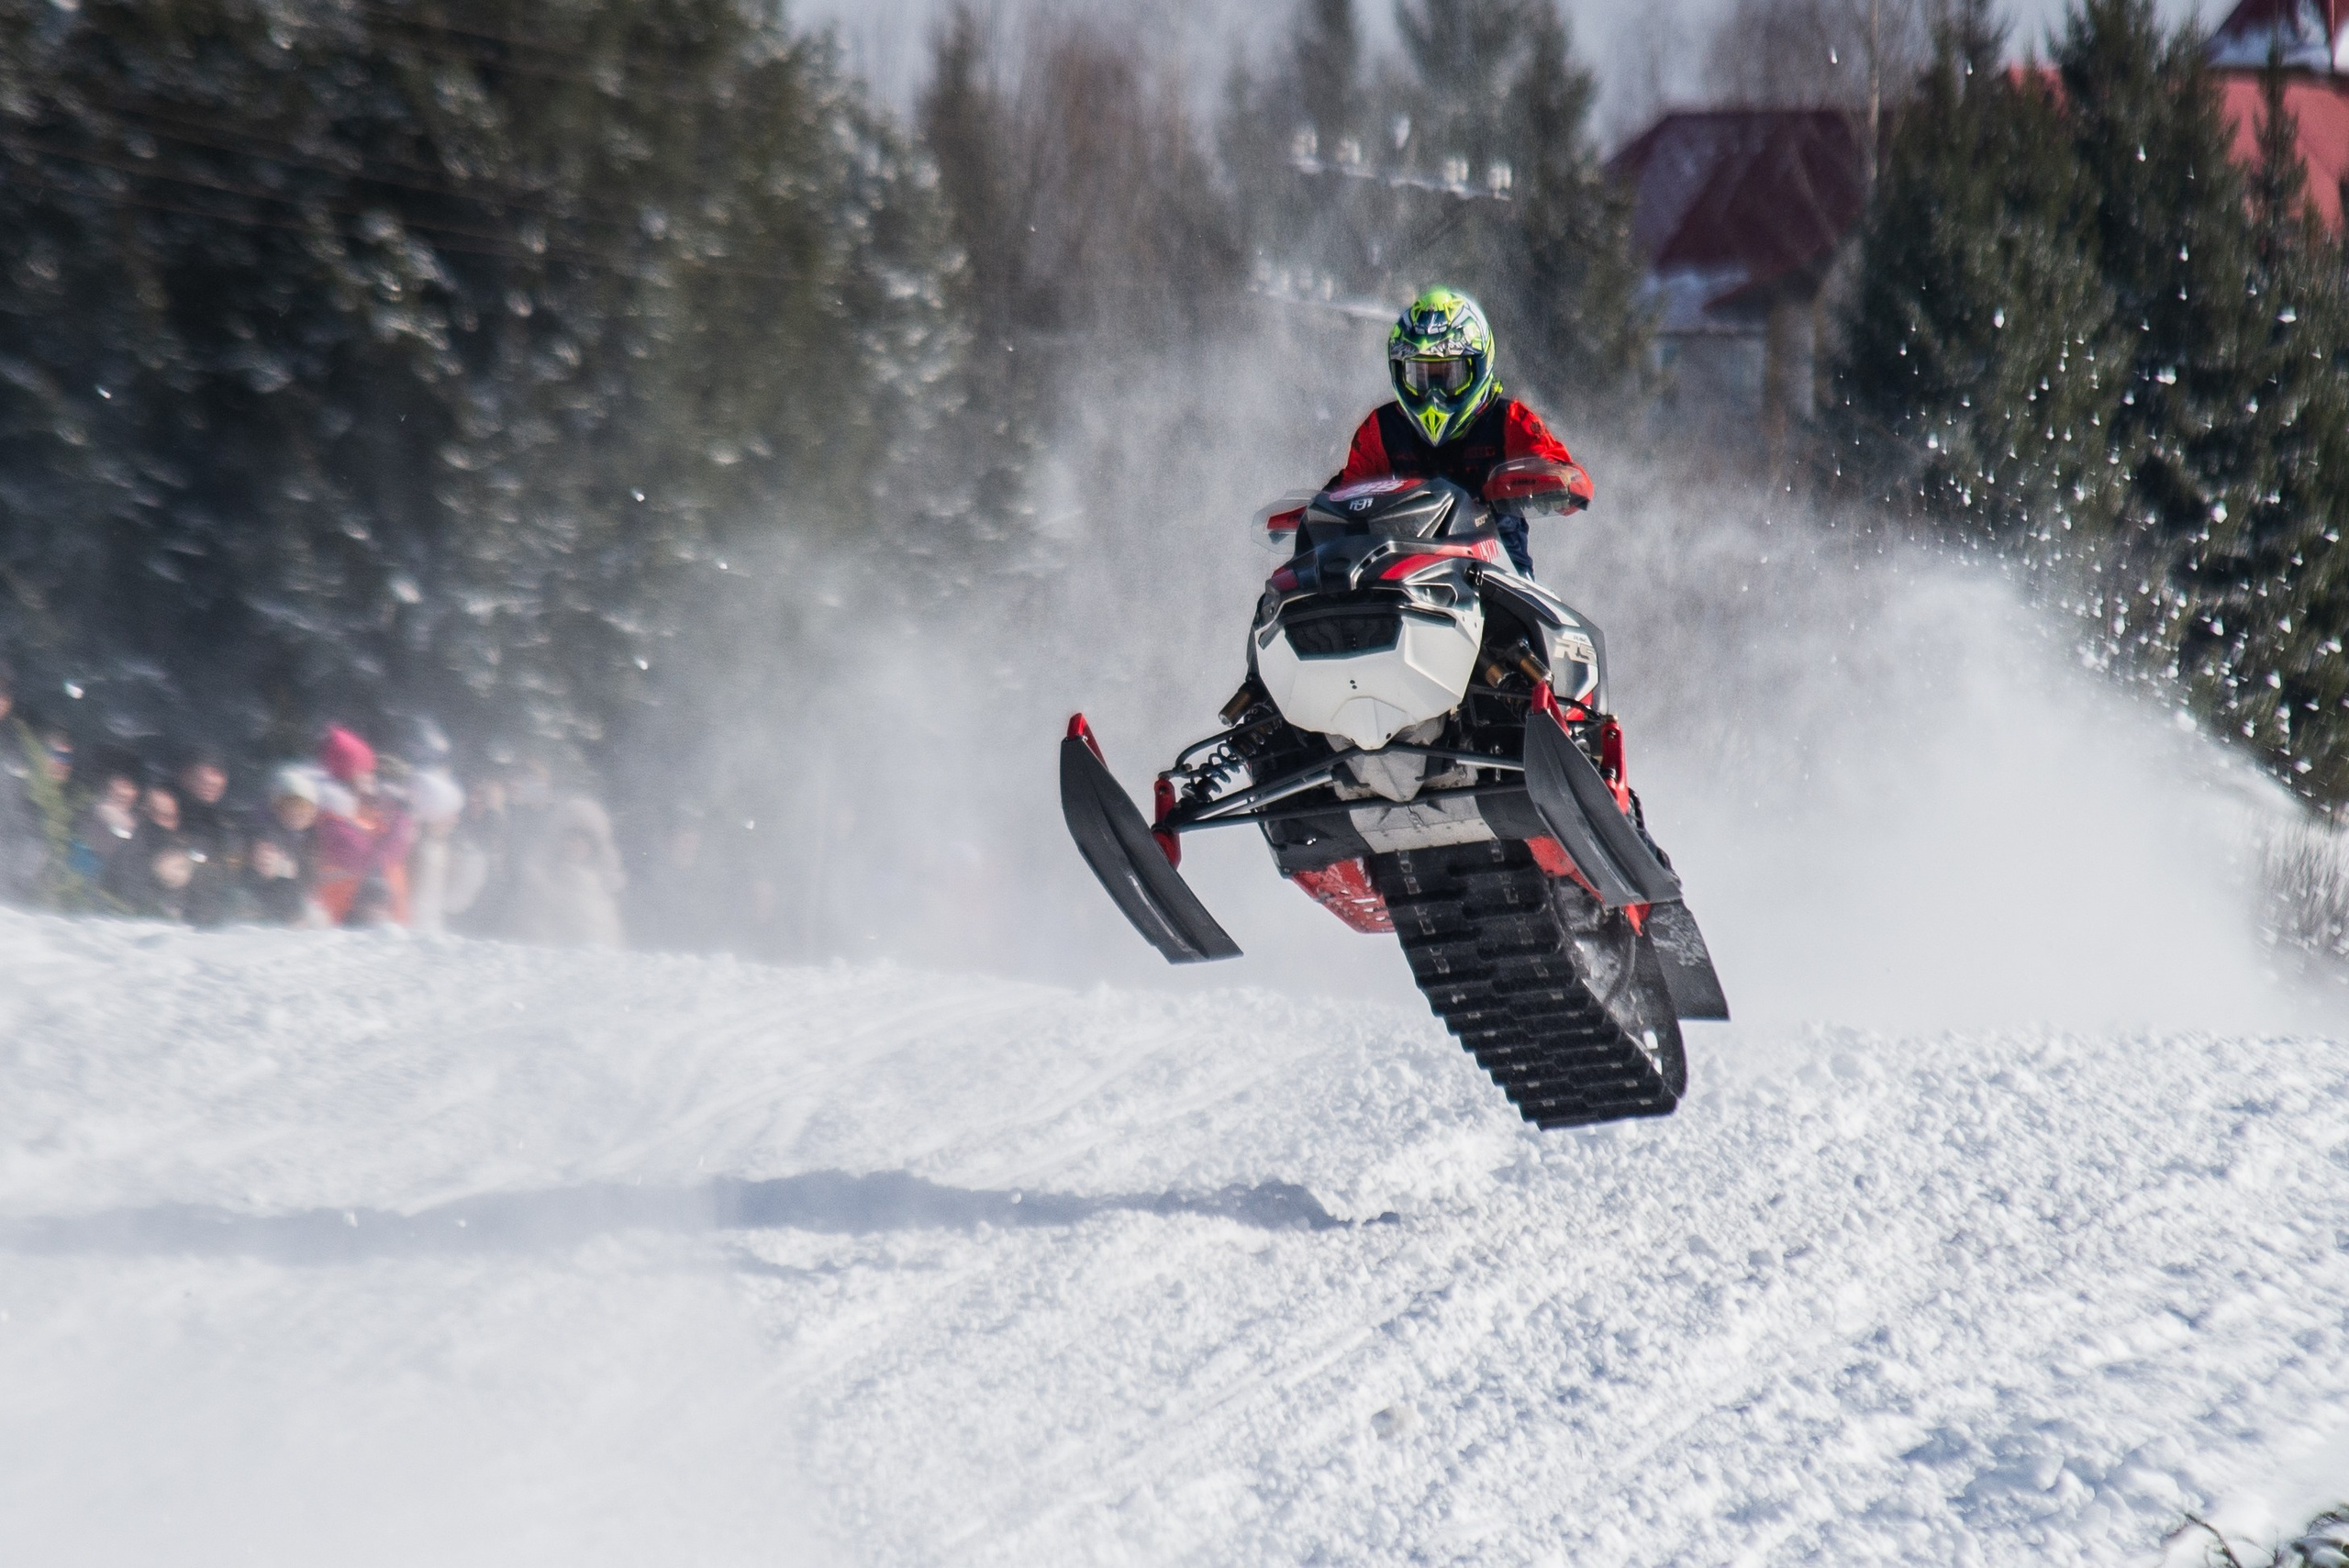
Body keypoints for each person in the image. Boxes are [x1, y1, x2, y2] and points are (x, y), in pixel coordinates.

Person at [1329, 287, 1592, 577]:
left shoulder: (1510, 420)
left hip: (1497, 579)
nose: (1434, 394)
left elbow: (1574, 482)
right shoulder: (1382, 427)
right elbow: (1346, 494)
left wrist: (1526, 484)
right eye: (1420, 376)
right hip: (1400, 575)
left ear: (1479, 367)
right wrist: (1315, 518)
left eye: (1448, 375)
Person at [311, 726, 416, 926]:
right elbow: (374, 860)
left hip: (385, 922)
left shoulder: (368, 813)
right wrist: (403, 819)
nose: (373, 778)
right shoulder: (333, 821)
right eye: (366, 772)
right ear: (349, 778)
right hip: (347, 924)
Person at [506, 793, 626, 950]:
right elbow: (531, 931)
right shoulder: (540, 880)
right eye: (571, 835)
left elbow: (609, 938)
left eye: (584, 837)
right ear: (558, 838)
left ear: (594, 845)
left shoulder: (603, 887)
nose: (577, 842)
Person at [102, 781, 195, 921]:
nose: (162, 823)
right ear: (144, 814)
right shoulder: (130, 852)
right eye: (156, 815)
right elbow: (131, 898)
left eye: (169, 817)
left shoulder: (183, 851)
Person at [246, 764, 325, 927]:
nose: (298, 812)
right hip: (273, 914)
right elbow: (266, 877)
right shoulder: (267, 837)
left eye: (304, 806)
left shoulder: (311, 840)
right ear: (277, 808)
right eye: (291, 804)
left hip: (304, 910)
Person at [174, 743, 245, 926]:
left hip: (226, 920)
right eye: (203, 773)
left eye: (218, 772)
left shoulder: (230, 822)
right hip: (180, 919)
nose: (211, 781)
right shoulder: (170, 814)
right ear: (185, 776)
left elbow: (237, 870)